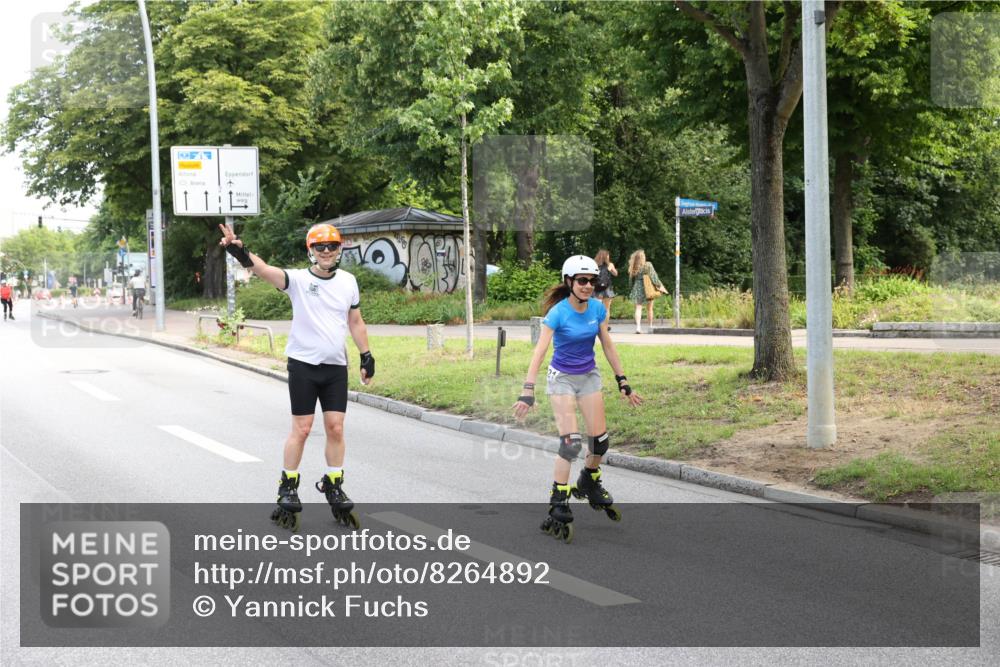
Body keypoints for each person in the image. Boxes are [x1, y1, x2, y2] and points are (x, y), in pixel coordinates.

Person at [218, 222, 375, 533]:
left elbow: (355, 320)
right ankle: (287, 485)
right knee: (302, 430)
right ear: (311, 251)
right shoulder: (298, 281)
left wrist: (366, 355)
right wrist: (239, 250)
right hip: (303, 365)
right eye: (320, 247)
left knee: (336, 427)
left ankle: (333, 483)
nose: (327, 251)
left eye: (332, 245)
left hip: (335, 367)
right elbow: (263, 270)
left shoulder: (348, 282)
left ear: (340, 248)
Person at [513, 255, 643, 543]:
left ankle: (588, 480)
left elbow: (607, 345)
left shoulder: (597, 309)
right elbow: (539, 352)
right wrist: (528, 389)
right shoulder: (558, 313)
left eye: (592, 281)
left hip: (588, 376)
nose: (588, 286)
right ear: (569, 282)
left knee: (600, 442)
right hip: (561, 378)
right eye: (582, 281)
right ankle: (558, 500)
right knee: (570, 443)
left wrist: (623, 380)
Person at [628, 249, 668, 334]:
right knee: (649, 308)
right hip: (648, 288)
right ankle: (650, 326)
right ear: (643, 257)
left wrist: (632, 289)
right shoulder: (648, 265)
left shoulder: (633, 266)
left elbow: (630, 281)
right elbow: (654, 277)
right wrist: (661, 287)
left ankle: (638, 327)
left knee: (638, 308)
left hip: (637, 287)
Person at [593, 249, 618, 330]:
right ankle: (605, 326)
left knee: (596, 307)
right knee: (606, 309)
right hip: (607, 289)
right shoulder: (609, 264)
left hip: (597, 288)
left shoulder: (594, 264)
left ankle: (596, 325)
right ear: (606, 256)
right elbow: (615, 274)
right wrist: (611, 268)